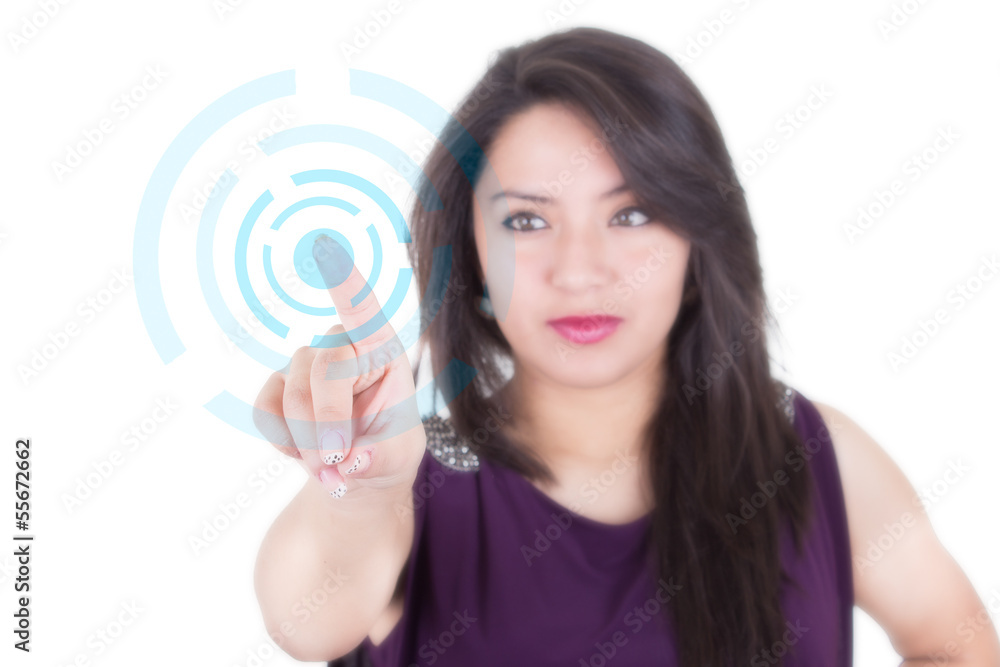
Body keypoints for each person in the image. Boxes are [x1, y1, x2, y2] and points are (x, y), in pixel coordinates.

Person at [251, 26, 1000, 666]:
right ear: (470, 251)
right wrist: (365, 494)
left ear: (698, 237)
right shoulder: (411, 479)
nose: (581, 270)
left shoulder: (808, 454)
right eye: (526, 221)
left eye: (633, 214)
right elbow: (302, 618)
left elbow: (961, 643)